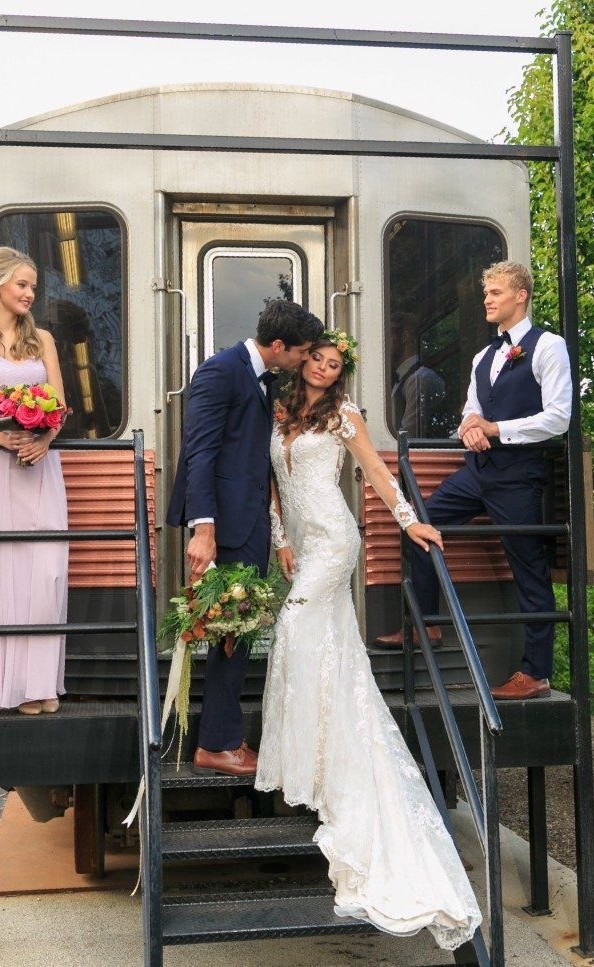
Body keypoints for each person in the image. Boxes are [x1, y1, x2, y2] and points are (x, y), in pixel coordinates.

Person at [257, 331, 481, 950]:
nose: (326, 370)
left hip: (334, 539)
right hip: (300, 542)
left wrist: (412, 523)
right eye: (320, 360)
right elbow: (273, 484)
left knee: (297, 626)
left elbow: (378, 475)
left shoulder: (344, 415)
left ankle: (324, 754)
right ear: (303, 362)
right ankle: (318, 744)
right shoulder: (279, 412)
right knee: (318, 643)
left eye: (336, 364)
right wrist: (279, 539)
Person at [377, 261, 571, 699]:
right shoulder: (485, 356)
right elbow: (471, 408)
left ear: (520, 296)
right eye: (486, 292)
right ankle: (428, 623)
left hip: (520, 476)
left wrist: (495, 430)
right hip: (477, 473)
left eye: (496, 292)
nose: (487, 299)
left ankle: (535, 673)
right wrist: (470, 427)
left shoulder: (548, 346)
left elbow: (559, 417)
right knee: (419, 523)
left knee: (529, 571)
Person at [167, 299, 323, 776]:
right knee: (230, 632)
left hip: (250, 522)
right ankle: (215, 745)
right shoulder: (219, 371)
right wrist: (204, 528)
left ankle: (226, 736)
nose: (305, 360)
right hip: (226, 526)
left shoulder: (262, 377)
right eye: (302, 352)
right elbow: (200, 454)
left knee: (238, 633)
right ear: (278, 346)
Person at [0, 247, 69, 715]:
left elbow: (59, 405)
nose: (29, 294)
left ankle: (41, 683)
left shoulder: (42, 338)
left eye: (33, 287)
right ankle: (9, 686)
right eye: (22, 285)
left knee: (46, 571)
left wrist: (44, 440)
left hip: (41, 465)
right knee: (1, 568)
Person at [389, 311, 445, 438]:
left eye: (388, 336)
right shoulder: (405, 378)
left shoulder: (420, 378)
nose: (383, 344)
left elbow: (410, 434)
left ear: (405, 337)